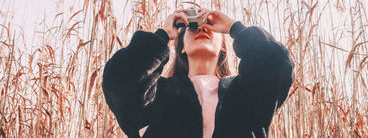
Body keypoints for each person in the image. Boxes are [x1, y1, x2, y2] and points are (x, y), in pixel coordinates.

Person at [102, 8, 294, 138]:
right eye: (193, 27)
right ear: (182, 47)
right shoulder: (156, 94)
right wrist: (163, 35)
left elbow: (278, 63)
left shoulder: (245, 93)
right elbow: (119, 81)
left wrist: (235, 28)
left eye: (209, 27)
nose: (202, 27)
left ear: (223, 49)